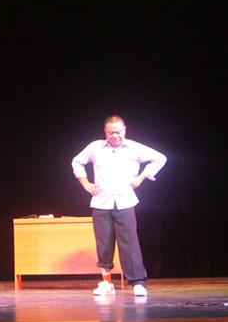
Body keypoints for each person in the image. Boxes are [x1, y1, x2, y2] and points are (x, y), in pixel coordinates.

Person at [71, 116, 166, 297]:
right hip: (102, 202)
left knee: (129, 243)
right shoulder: (95, 147)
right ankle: (106, 283)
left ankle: (138, 282)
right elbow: (76, 161)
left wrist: (141, 178)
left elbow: (160, 158)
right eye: (111, 132)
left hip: (125, 201)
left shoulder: (134, 148)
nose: (115, 136)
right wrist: (86, 183)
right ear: (105, 132)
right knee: (104, 244)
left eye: (118, 132)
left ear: (124, 130)